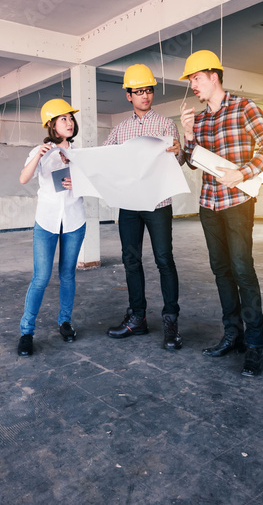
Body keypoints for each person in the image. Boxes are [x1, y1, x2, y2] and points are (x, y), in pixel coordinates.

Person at [179, 50, 263, 377]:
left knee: (241, 268)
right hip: (209, 203)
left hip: (237, 203)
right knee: (221, 270)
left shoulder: (244, 107)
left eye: (196, 78)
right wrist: (189, 134)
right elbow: (193, 160)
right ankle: (231, 334)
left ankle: (255, 345)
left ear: (213, 76)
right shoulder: (202, 118)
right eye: (191, 80)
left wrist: (245, 172)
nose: (193, 85)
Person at [103, 64, 185, 349]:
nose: (145, 96)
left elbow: (177, 161)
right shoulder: (120, 129)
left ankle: (171, 321)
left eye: (148, 90)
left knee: (164, 259)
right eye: (139, 92)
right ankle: (137, 318)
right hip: (129, 204)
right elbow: (105, 160)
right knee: (131, 260)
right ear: (128, 96)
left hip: (158, 202)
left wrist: (179, 152)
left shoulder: (165, 124)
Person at [16, 98, 86, 357]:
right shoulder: (40, 151)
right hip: (46, 223)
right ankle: (26, 332)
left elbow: (92, 185)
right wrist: (38, 156)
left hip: (74, 222)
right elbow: (24, 178)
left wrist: (76, 180)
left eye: (71, 118)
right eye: (63, 119)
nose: (69, 122)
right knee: (41, 277)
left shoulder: (79, 153)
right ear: (52, 125)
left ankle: (65, 322)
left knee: (68, 275)